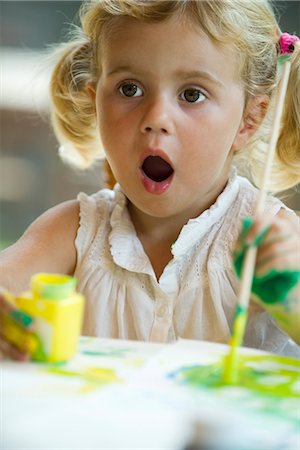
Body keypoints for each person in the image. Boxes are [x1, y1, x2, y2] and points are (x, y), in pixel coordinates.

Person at [0, 0, 299, 360]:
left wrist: (290, 298)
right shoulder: (74, 233)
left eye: (192, 95)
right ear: (96, 103)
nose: (156, 117)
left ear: (248, 120)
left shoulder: (272, 238)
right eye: (130, 89)